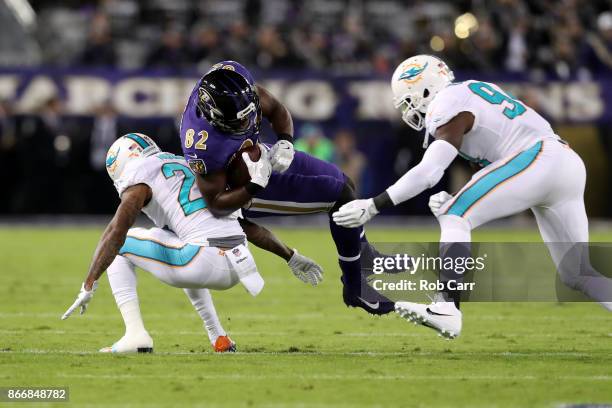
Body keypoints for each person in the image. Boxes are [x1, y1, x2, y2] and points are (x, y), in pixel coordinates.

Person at [333, 55, 612, 338]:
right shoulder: (470, 92)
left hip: (540, 158)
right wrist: (456, 197)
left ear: (425, 89)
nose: (410, 109)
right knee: (577, 273)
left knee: (456, 215)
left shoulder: (446, 103)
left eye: (409, 100)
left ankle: (447, 308)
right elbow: (489, 170)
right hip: (565, 164)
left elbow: (429, 171)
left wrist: (373, 205)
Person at [61, 133, 323, 353]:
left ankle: (135, 335)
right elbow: (246, 227)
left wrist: (89, 283)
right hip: (239, 262)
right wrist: (291, 255)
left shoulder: (139, 175)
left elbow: (116, 231)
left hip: (201, 259)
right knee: (180, 238)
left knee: (121, 244)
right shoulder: (184, 163)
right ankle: (218, 337)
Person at [179, 60, 394, 315]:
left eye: (250, 113)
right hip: (246, 191)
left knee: (347, 183)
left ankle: (363, 255)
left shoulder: (235, 84)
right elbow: (215, 204)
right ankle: (355, 286)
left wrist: (285, 141)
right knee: (342, 197)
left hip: (264, 157)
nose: (247, 122)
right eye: (238, 122)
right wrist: (253, 186)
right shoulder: (202, 144)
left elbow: (277, 109)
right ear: (214, 116)